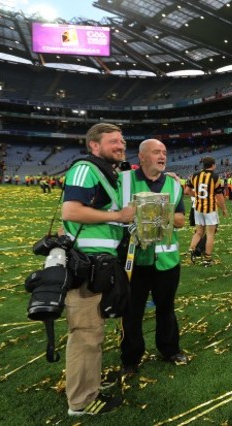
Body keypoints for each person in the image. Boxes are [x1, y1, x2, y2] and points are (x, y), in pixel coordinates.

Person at [61, 122, 135, 416]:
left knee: (94, 330)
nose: (121, 145)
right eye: (113, 141)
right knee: (85, 334)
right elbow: (71, 211)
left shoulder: (107, 173)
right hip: (84, 266)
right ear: (94, 145)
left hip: (99, 265)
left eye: (122, 141)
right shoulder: (85, 168)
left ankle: (89, 385)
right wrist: (119, 214)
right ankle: (81, 401)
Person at [119, 139, 188, 376]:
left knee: (166, 308)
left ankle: (169, 349)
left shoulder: (173, 184)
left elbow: (181, 219)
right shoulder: (123, 180)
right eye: (156, 152)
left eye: (164, 152)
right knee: (131, 311)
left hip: (166, 260)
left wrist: (157, 213)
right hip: (133, 260)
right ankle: (130, 357)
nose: (162, 156)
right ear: (142, 157)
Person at [187, 157, 227, 266]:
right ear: (213, 165)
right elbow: (219, 195)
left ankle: (191, 252)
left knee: (198, 232)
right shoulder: (215, 177)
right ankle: (207, 259)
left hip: (198, 207)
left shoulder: (195, 175)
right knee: (210, 234)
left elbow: (187, 190)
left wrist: (198, 196)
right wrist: (224, 209)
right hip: (210, 209)